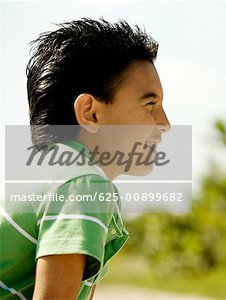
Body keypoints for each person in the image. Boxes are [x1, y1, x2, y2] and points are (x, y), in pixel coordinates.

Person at [0, 18, 170, 299]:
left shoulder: (45, 171)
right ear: (90, 113)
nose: (164, 123)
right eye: (150, 104)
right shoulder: (84, 184)